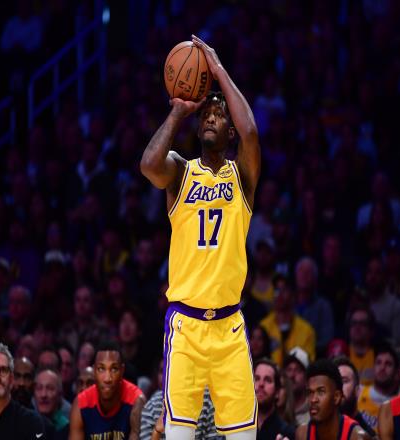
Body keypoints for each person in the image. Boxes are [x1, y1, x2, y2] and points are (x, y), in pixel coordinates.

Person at [140, 34, 260, 439]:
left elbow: (251, 132)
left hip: (229, 328)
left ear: (230, 133)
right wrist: (178, 111)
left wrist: (218, 69)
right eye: (205, 114)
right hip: (186, 328)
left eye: (219, 115)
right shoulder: (179, 170)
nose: (210, 118)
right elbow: (148, 165)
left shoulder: (242, 177)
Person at [69, 341, 146, 439]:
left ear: (122, 371)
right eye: (101, 369)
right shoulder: (81, 404)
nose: (107, 379)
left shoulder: (136, 400)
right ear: (94, 371)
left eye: (114, 369)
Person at [279, 359, 370, 440]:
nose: (313, 399)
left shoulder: (357, 437)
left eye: (321, 392)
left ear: (337, 397)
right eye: (310, 392)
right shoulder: (302, 434)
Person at [357, 344, 400, 430]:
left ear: (397, 373)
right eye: (378, 363)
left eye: (388, 364)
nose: (382, 367)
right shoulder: (359, 393)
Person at [333, 356, 377, 438]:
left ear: (357, 391)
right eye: (335, 381)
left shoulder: (368, 436)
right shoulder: (316, 429)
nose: (338, 386)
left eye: (344, 381)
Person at [254, 358, 295, 439]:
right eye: (257, 379)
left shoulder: (286, 432)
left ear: (277, 392)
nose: (261, 384)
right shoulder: (239, 426)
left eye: (268, 380)